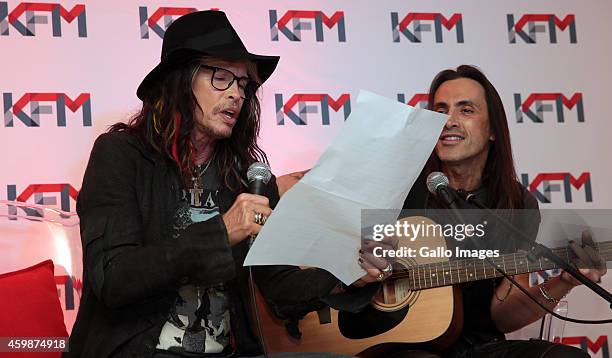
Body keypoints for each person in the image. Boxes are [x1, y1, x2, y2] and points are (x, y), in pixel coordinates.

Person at [66, 10, 384, 358]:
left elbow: (278, 285)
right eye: (221, 77)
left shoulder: (249, 177)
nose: (236, 94)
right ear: (180, 80)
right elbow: (113, 278)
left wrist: (346, 275)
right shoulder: (121, 155)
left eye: (243, 84)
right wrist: (222, 231)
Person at [382, 65, 606, 357]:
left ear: (492, 131)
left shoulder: (515, 203)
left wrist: (565, 280)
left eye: (466, 110)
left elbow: (503, 315)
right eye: (440, 110)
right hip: (398, 345)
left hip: (479, 347)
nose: (448, 121)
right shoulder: (399, 187)